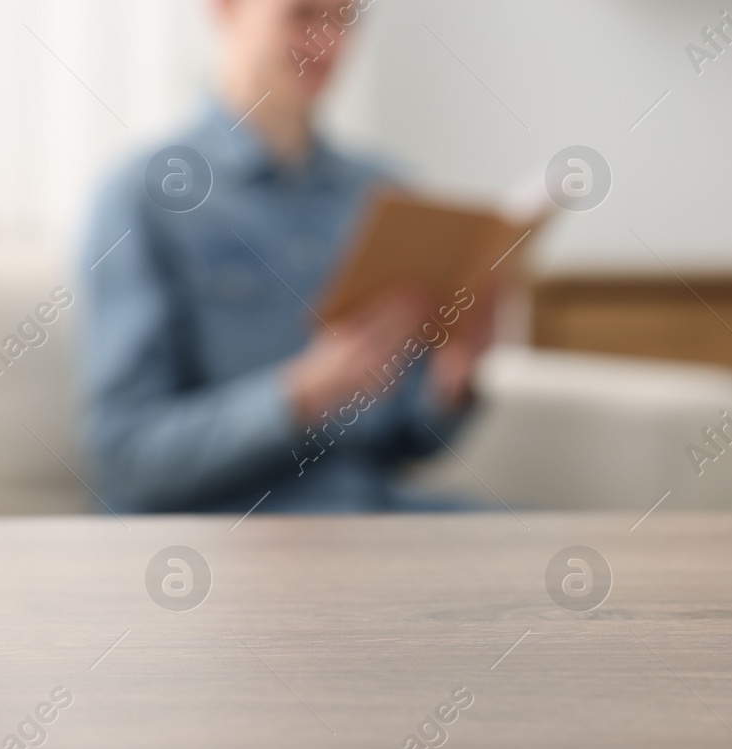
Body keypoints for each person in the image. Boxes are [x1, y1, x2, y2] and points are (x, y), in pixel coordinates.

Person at [78, 0, 498, 513]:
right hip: (230, 534)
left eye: (344, 19)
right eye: (302, 15)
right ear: (226, 10)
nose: (328, 44)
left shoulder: (384, 192)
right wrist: (302, 394)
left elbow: (406, 441)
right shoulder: (142, 198)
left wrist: (451, 380)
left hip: (373, 518)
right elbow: (127, 461)